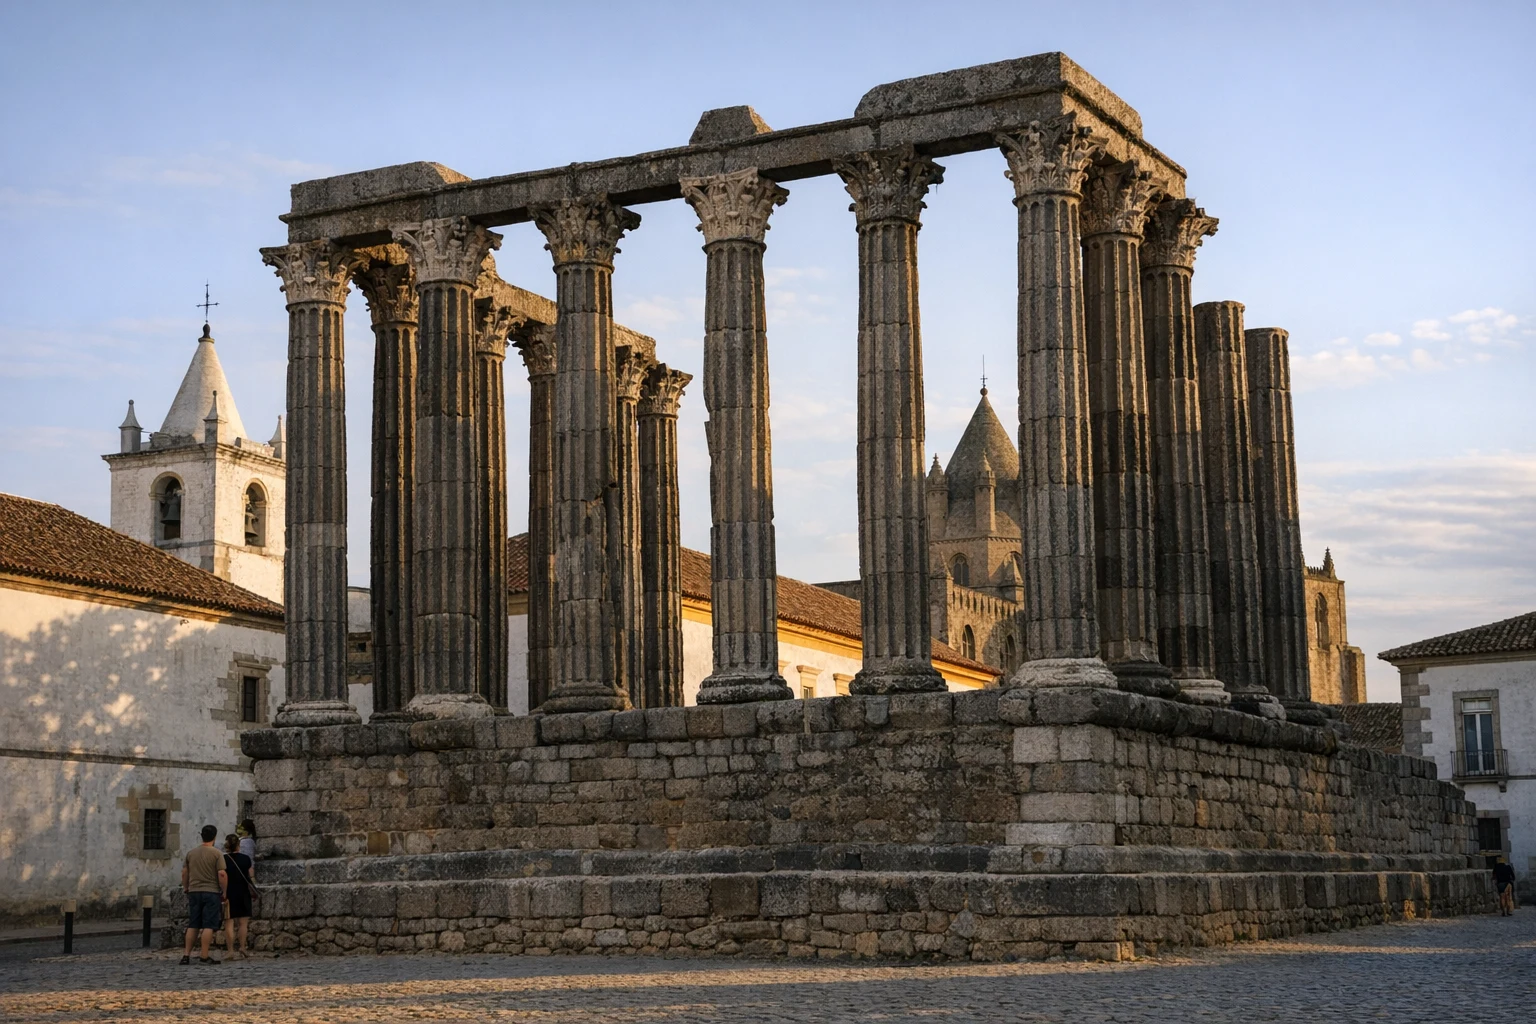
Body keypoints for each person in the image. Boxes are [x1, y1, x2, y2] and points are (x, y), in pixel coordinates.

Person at [180, 824, 227, 965]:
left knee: (193, 923)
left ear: (201, 836)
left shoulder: (191, 853)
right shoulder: (217, 854)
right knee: (208, 924)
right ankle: (204, 955)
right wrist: (224, 891)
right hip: (211, 891)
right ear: (214, 836)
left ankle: (186, 955)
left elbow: (184, 872)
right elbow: (222, 873)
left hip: (194, 891)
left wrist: (186, 887)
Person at [221, 834, 256, 957]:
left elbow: (222, 875)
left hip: (230, 892)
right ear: (238, 845)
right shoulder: (245, 859)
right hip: (243, 892)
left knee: (229, 923)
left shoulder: (223, 859)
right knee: (243, 923)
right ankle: (242, 947)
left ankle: (230, 951)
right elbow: (250, 873)